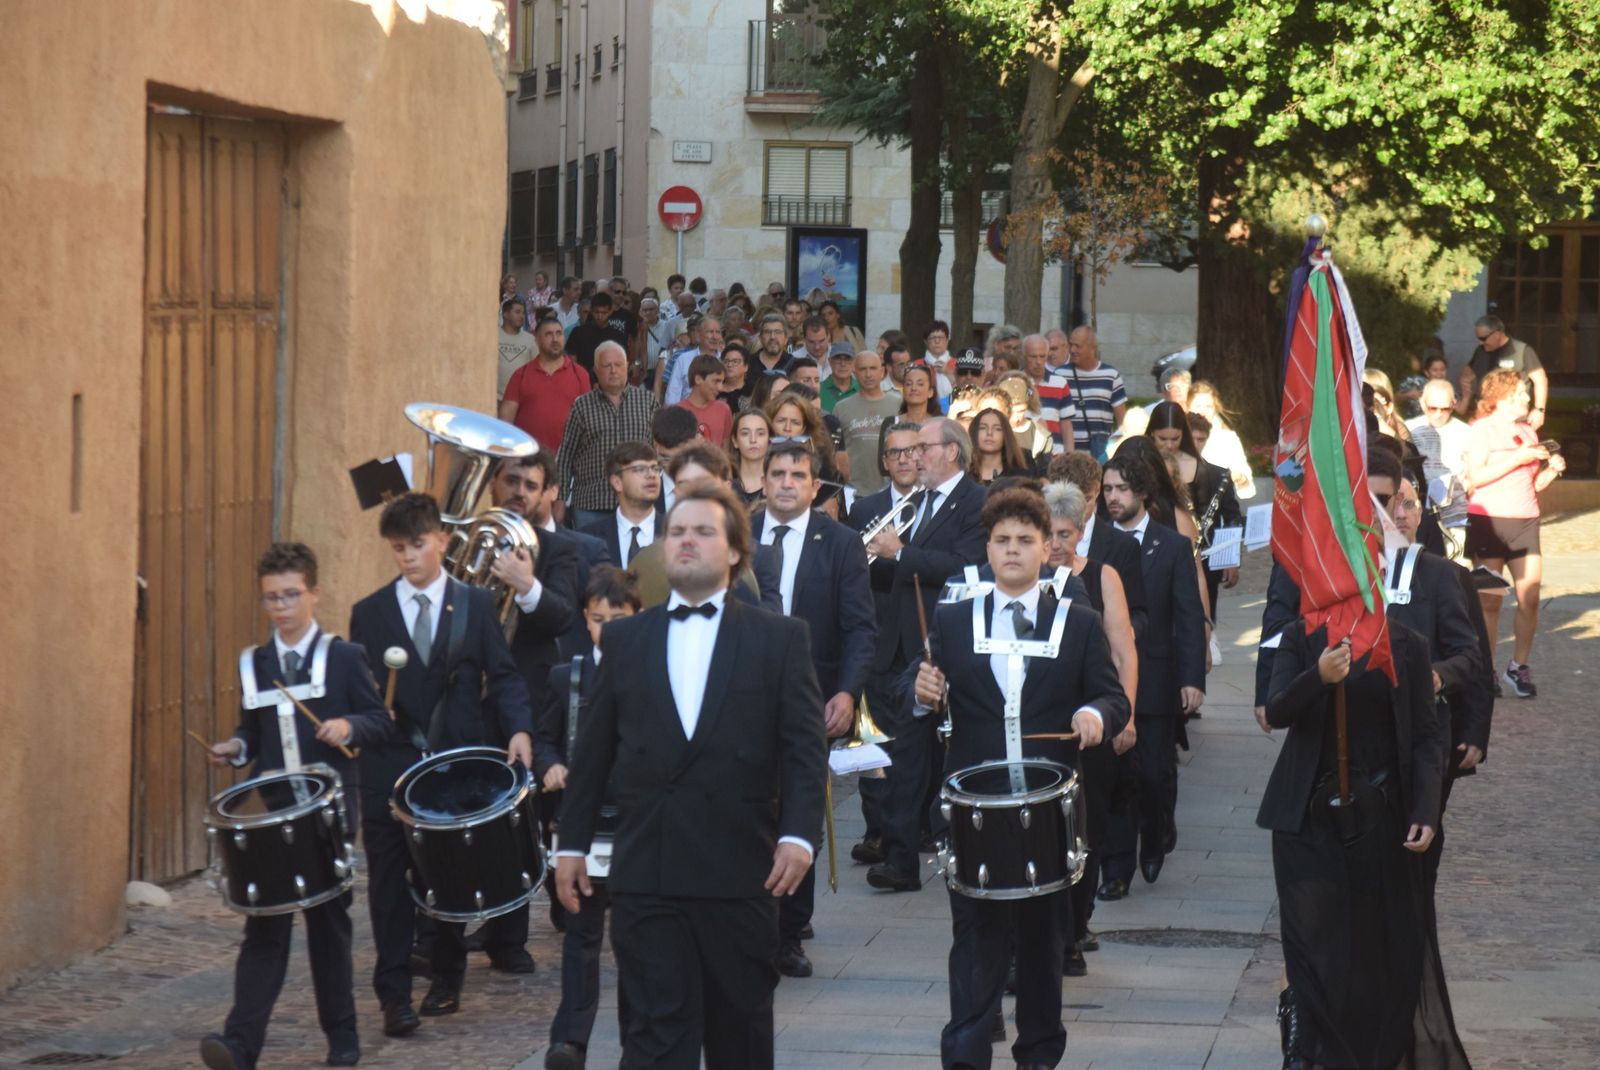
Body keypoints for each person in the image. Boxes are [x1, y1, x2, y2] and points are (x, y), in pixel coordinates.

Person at [551, 482, 827, 1070]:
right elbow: (594, 754)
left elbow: (803, 750)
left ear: (733, 552)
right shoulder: (625, 639)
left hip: (740, 872)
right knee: (654, 1039)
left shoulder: (779, 640)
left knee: (740, 1038)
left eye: (703, 531)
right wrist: (570, 844)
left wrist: (800, 836)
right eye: (676, 531)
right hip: (648, 872)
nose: (686, 541)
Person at [908, 488, 1129, 1070]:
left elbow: (1111, 697)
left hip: (1049, 815)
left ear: (1045, 549)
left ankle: (1038, 1055)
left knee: (1040, 946)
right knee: (975, 942)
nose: (1012, 550)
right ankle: (965, 1056)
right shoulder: (954, 622)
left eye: (1025, 541)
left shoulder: (1076, 623)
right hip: (973, 810)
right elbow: (913, 692)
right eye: (1002, 540)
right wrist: (920, 692)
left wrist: (1095, 716)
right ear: (988, 548)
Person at [347, 494, 533, 1035]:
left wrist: (519, 728)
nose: (408, 557)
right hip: (388, 767)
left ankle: (448, 976)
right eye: (398, 548)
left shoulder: (474, 606)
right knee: (386, 884)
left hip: (453, 767)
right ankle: (393, 995)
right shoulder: (371, 612)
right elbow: (364, 697)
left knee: (448, 878)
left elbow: (503, 676)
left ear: (442, 542)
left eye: (418, 545)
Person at [199, 543, 390, 1070]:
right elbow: (251, 730)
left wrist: (349, 726)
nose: (280, 607)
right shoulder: (256, 664)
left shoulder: (344, 658)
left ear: (313, 593)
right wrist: (236, 749)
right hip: (273, 816)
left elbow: (380, 721)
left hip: (328, 813)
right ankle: (240, 1046)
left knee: (329, 928)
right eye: (270, 599)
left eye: (290, 595)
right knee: (264, 927)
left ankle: (343, 1038)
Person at [1258, 615, 1445, 1069]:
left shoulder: (1408, 643)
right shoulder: (1300, 637)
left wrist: (1425, 810)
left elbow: (1425, 735)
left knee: (1372, 946)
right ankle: (1307, 1051)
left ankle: (1366, 1052)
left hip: (1379, 818)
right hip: (1306, 819)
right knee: (1309, 944)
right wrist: (1318, 677)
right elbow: (1277, 710)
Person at [753, 441, 877, 977]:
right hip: (745, 696)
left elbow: (860, 627)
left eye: (796, 474)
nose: (786, 482)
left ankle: (789, 933)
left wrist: (847, 692)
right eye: (777, 473)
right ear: (763, 481)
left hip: (813, 696)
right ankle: (751, 920)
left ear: (813, 484)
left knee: (800, 804)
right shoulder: (737, 534)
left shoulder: (841, 543)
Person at [863, 418, 989, 892]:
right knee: (903, 754)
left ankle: (945, 842)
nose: (914, 456)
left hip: (944, 643)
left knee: (942, 752)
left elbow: (968, 567)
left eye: (923, 447)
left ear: (952, 452)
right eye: (910, 449)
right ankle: (900, 856)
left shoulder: (976, 502)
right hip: (899, 642)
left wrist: (901, 553)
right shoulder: (917, 501)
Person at [536, 566, 640, 1070]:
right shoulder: (567, 675)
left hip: (635, 824)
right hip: (583, 825)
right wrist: (549, 763)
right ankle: (570, 1040)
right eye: (598, 620)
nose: (607, 629)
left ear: (637, 616)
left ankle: (633, 1045)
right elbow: (544, 737)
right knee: (580, 937)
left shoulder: (654, 672)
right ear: (585, 619)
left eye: (618, 618)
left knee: (634, 942)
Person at [1041, 481, 1139, 976]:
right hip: (1046, 726)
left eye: (1064, 533)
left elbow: (1123, 649)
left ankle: (1078, 925)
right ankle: (1052, 932)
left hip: (1095, 721)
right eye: (1048, 533)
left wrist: (1128, 713)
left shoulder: (1102, 577)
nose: (1055, 545)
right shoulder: (1026, 580)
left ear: (1080, 533)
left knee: (1088, 828)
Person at [1097, 453, 1205, 898]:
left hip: (1158, 677)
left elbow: (1187, 614)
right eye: (1107, 490)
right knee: (1120, 777)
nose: (1113, 498)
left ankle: (1157, 834)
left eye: (1122, 489)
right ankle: (1117, 871)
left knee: (1157, 774)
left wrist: (1192, 678)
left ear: (1142, 493)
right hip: (1110, 677)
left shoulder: (1171, 545)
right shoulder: (1096, 544)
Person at [845, 421, 925, 864]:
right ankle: (876, 829)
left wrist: (900, 553)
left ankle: (911, 828)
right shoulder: (865, 508)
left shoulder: (933, 506)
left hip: (917, 635)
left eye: (912, 450)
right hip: (877, 636)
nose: (904, 459)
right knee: (869, 739)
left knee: (915, 746)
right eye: (895, 453)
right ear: (883, 460)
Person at [1464, 368, 1564, 698]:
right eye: (1522, 393)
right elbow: (1475, 478)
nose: (1528, 399)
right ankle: (1486, 669)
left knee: (1530, 596)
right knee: (1490, 602)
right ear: (1502, 398)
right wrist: (1517, 458)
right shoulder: (1481, 430)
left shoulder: (1529, 432)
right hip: (1490, 521)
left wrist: (1550, 472)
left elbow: (1532, 485)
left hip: (1525, 521)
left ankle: (1517, 667)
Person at [629, 444, 783, 613]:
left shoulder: (762, 557)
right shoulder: (651, 558)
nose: (691, 493)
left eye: (702, 484)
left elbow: (770, 623)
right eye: (683, 484)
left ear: (726, 487)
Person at [1149, 401, 1240, 626]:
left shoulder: (1206, 471)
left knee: (1201, 600)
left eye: (1175, 438)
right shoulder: (1141, 463)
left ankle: (1208, 634)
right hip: (1156, 543)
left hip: (1199, 547)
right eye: (1163, 439)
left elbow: (1230, 514)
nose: (1169, 445)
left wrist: (1230, 557)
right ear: (1151, 434)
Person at [554, 340, 660, 530]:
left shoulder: (647, 401)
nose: (613, 370)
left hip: (637, 501)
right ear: (595, 370)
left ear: (627, 367)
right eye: (606, 365)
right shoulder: (582, 406)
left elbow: (659, 450)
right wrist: (560, 500)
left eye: (618, 365)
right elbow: (565, 456)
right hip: (591, 503)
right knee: (591, 558)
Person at [500, 315, 593, 455]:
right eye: (548, 334)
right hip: (529, 459)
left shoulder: (580, 374)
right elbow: (505, 421)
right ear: (536, 340)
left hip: (568, 460)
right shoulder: (521, 375)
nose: (555, 339)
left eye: (558, 333)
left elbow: (590, 419)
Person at [1406, 378, 1473, 555]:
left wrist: (1467, 482)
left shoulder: (1465, 432)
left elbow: (1474, 471)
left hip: (1453, 510)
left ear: (1454, 404)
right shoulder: (1409, 429)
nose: (1438, 414)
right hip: (1417, 507)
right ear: (1422, 403)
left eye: (1445, 408)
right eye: (1432, 408)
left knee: (1453, 561)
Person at [578, 441, 664, 570]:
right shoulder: (586, 539)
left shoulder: (677, 534)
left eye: (655, 468)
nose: (652, 475)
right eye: (640, 469)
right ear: (617, 482)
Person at [1456, 314, 1549, 429]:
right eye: (1478, 338)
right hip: (1484, 418)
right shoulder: (1480, 351)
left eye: (1483, 338)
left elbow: (1540, 380)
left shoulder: (1522, 350)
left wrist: (1539, 410)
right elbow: (1468, 372)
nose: (1480, 342)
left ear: (1497, 333)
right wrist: (1464, 382)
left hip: (1514, 420)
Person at [833, 350, 903, 496]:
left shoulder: (899, 404)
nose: (868, 374)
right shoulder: (841, 408)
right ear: (854, 373)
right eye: (862, 369)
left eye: (873, 368)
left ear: (882, 371)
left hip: (891, 491)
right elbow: (834, 453)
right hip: (853, 492)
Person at [1051, 326, 1126, 460]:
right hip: (1067, 456)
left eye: (1078, 346)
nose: (1072, 350)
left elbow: (1122, 423)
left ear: (1092, 347)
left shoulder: (1111, 376)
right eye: (1071, 345)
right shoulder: (1059, 375)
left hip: (1100, 456)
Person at [1186, 380, 1257, 499]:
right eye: (1198, 406)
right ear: (1188, 407)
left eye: (1208, 406)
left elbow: (1247, 487)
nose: (1203, 411)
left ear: (1215, 409)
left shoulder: (1228, 438)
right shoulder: (1177, 435)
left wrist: (1240, 478)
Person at [661, 315, 725, 406]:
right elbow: (673, 395)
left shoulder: (725, 360)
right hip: (687, 415)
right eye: (710, 332)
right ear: (698, 335)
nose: (714, 337)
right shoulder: (683, 359)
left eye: (718, 332)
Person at [676, 354, 735, 447]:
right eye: (716, 381)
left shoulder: (724, 410)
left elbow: (726, 451)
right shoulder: (677, 412)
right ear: (698, 379)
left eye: (722, 382)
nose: (720, 388)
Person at [565, 292, 628, 378]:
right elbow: (571, 361)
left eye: (604, 313)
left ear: (610, 311)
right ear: (591, 310)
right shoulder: (578, 332)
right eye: (596, 312)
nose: (600, 316)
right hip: (582, 379)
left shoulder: (618, 336)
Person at [968, 406, 1031, 485]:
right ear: (974, 433)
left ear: (1006, 435)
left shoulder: (1020, 476)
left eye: (997, 429)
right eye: (983, 428)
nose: (989, 433)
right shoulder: (962, 475)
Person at [729, 407, 772, 507]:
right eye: (745, 433)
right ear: (735, 441)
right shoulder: (723, 481)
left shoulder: (778, 482)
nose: (753, 440)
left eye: (760, 434)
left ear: (769, 440)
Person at [498, 296, 535, 400]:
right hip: (495, 398)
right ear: (505, 314)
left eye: (523, 313)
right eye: (517, 312)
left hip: (520, 399)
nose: (522, 316)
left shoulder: (531, 340)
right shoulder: (493, 336)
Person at [898, 362, 943, 426]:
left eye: (920, 384)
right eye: (908, 384)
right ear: (903, 390)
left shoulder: (940, 425)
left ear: (930, 392)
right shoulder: (892, 422)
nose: (913, 388)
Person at [717, 341, 754, 410]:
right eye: (726, 361)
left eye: (735, 362)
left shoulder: (754, 391)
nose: (730, 365)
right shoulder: (714, 390)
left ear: (746, 367)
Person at [818, 346, 856, 412]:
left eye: (847, 359)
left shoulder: (862, 389)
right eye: (838, 359)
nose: (843, 364)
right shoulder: (818, 390)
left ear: (854, 362)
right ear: (830, 361)